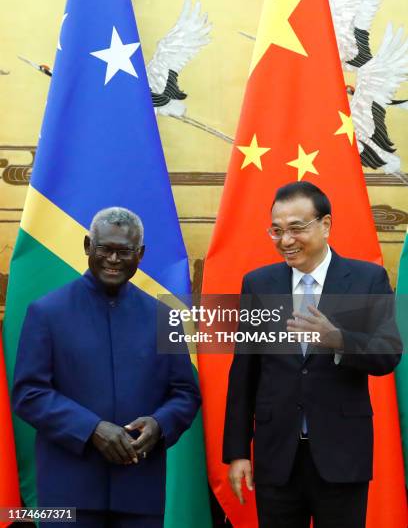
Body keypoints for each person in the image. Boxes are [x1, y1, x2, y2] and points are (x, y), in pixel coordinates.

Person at [223, 181, 402, 528]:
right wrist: (238, 451)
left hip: (341, 455)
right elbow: (244, 372)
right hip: (277, 456)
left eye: (296, 229)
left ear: (326, 225)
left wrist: (338, 339)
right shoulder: (259, 285)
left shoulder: (366, 280)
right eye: (276, 231)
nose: (286, 240)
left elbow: (388, 352)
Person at [13, 207, 201, 528]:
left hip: (139, 488)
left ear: (140, 254)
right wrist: (92, 429)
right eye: (105, 249)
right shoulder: (47, 312)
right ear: (88, 246)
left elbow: (185, 393)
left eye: (124, 251)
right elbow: (29, 393)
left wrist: (159, 424)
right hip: (68, 491)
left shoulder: (163, 317)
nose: (113, 259)